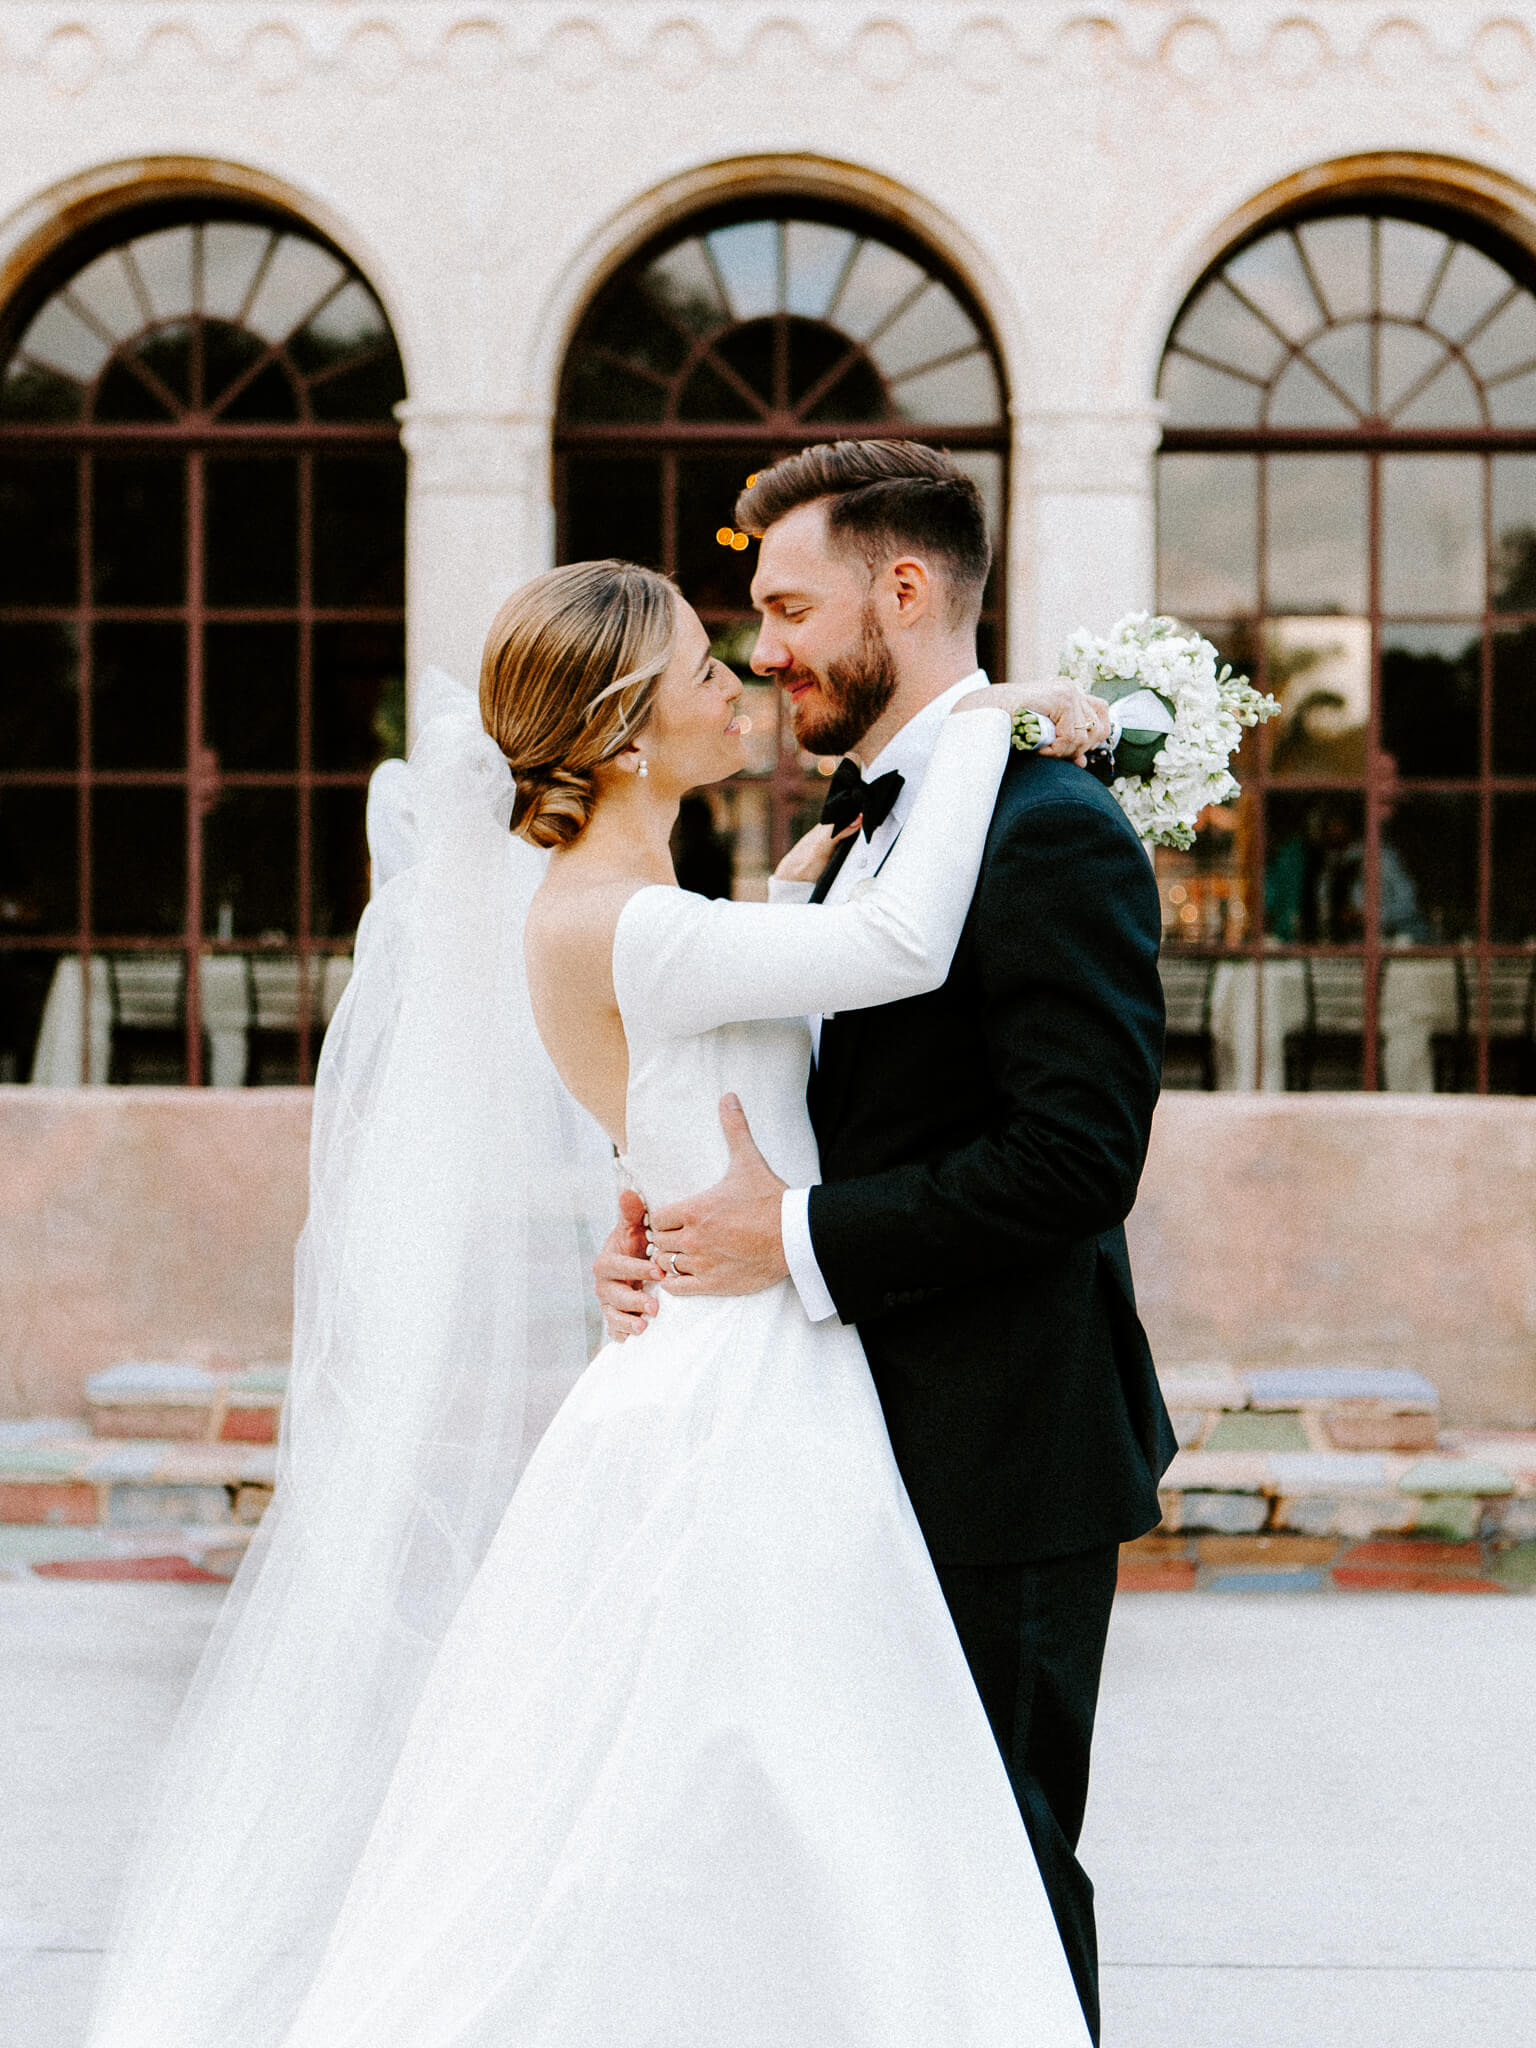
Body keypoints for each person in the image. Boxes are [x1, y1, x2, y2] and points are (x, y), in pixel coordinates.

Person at [86, 555, 1112, 2048]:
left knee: (765, 1786)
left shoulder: (658, 905)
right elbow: (897, 949)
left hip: (750, 1349)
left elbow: (731, 1027)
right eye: (705, 666)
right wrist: (972, 725)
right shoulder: (612, 921)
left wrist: (921, 772)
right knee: (722, 1789)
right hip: (730, 1392)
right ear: (629, 729)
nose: (742, 681)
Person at [597, 440, 1176, 2043]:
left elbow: (1075, 1161)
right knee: (863, 1881)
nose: (765, 647)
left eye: (787, 606)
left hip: (999, 1445)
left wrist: (788, 1237)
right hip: (828, 1437)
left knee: (992, 1867)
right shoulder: (871, 834)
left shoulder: (1045, 830)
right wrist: (672, 1229)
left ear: (903, 589)